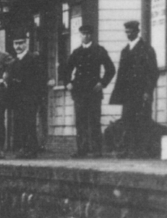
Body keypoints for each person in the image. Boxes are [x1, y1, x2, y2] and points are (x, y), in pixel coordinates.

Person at [61, 25, 116, 157]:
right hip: (79, 91)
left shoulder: (99, 50)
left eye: (87, 34)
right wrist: (67, 82)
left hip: (93, 91)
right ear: (80, 35)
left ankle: (97, 150)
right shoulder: (76, 52)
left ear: (91, 35)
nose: (84, 36)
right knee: (80, 121)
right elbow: (66, 70)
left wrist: (102, 83)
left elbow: (111, 69)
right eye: (82, 34)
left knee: (94, 120)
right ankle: (82, 149)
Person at [109, 20, 159, 158]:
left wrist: (147, 91)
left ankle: (142, 151)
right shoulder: (125, 51)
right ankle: (129, 150)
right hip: (128, 94)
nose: (128, 34)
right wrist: (119, 93)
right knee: (128, 121)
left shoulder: (146, 49)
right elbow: (121, 74)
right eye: (126, 32)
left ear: (137, 32)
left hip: (141, 93)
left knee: (142, 121)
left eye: (130, 32)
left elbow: (153, 72)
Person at [8, 32, 48, 159]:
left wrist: (37, 96)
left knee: (29, 123)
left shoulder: (33, 59)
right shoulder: (13, 62)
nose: (18, 46)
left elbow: (41, 78)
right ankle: (23, 148)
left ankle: (32, 149)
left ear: (26, 43)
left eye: (20, 43)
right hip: (18, 98)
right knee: (20, 123)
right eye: (16, 44)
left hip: (30, 97)